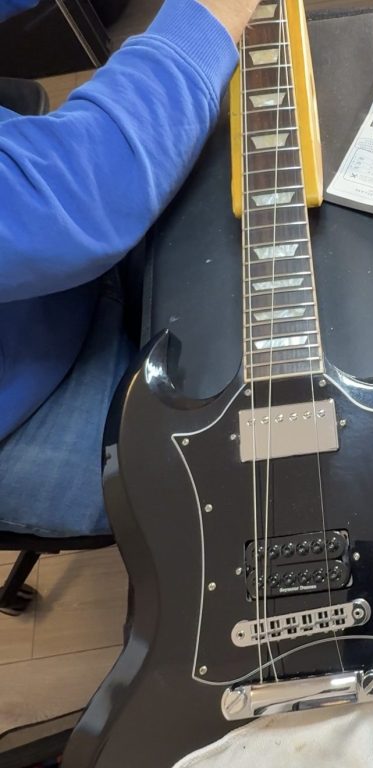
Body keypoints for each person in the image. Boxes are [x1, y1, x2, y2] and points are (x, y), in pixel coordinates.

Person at [0, 0, 264, 537]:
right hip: (27, 404)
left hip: (57, 261)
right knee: (238, 487)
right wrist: (210, 14)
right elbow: (81, 190)